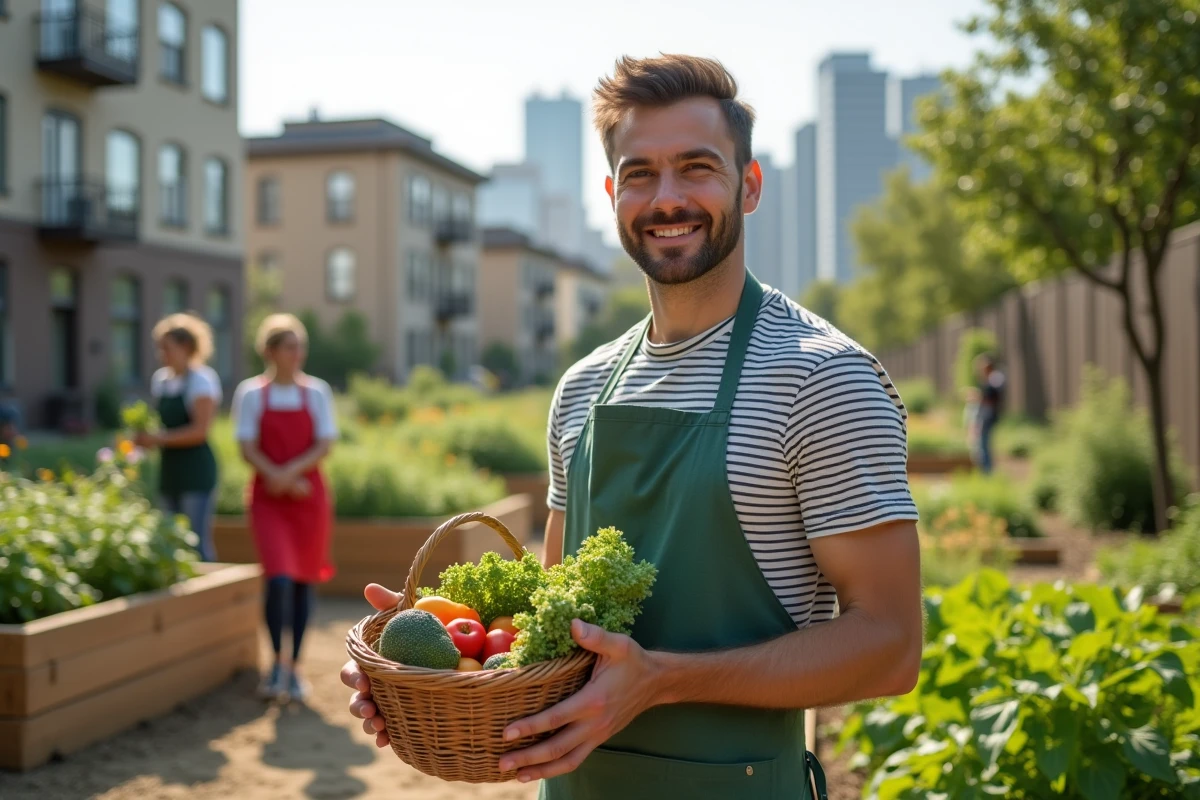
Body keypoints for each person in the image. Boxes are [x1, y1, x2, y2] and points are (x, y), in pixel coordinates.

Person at [342, 54, 923, 798]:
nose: (667, 197)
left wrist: (660, 682)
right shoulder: (582, 388)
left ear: (748, 186)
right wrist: (428, 659)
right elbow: (549, 622)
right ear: (613, 194)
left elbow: (890, 646)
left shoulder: (821, 378)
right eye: (640, 173)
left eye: (697, 167)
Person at [232, 313, 338, 704]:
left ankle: (295, 667)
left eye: (300, 346)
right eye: (290, 346)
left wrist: (290, 474)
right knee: (277, 579)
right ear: (270, 351)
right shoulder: (250, 394)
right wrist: (275, 477)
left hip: (308, 500)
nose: (298, 354)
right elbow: (246, 446)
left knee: (303, 582)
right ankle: (276, 662)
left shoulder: (316, 392)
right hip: (268, 501)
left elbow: (325, 443)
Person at [136, 313, 222, 562]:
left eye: (167, 347)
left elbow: (199, 431)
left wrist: (157, 439)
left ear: (185, 347)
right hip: (170, 470)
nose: (161, 353)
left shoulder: (201, 380)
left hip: (195, 471)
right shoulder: (162, 380)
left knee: (197, 542)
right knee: (171, 541)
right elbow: (160, 424)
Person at [968, 353, 1006, 473]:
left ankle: (987, 470)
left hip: (988, 415)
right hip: (987, 414)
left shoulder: (995, 378)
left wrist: (978, 397)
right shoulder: (991, 378)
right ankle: (985, 469)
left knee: (984, 442)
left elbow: (991, 396)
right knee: (982, 442)